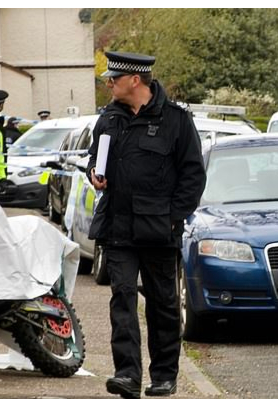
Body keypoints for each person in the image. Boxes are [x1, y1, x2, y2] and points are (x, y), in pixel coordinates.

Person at [86, 51, 206, 399]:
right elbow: (95, 158)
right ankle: (127, 374)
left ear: (135, 80)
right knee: (122, 299)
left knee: (162, 303)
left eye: (114, 78)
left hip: (158, 229)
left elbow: (193, 176)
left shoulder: (176, 120)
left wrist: (173, 218)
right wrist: (94, 173)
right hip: (118, 227)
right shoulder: (108, 118)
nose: (109, 83)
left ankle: (164, 375)